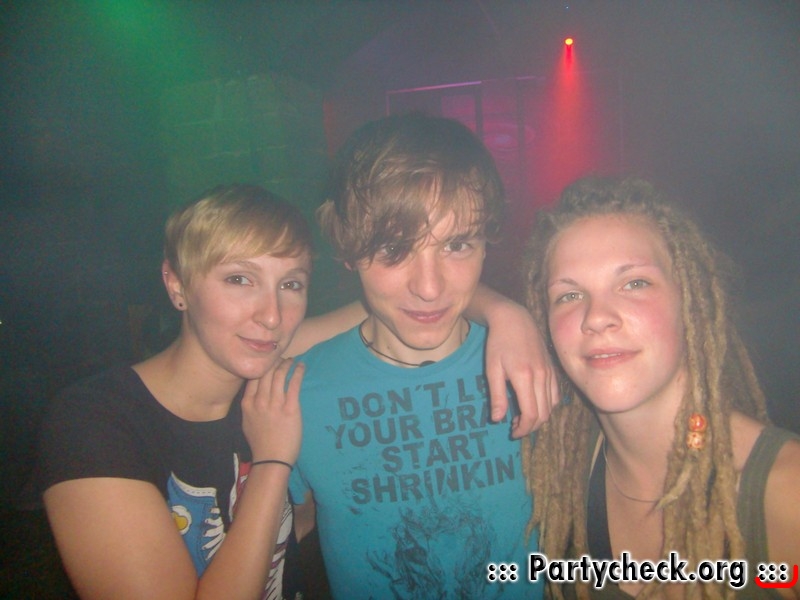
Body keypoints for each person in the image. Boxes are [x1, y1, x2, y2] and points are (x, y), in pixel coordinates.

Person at [35, 183, 555, 600]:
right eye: (239, 280)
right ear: (176, 284)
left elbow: (406, 302)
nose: (271, 314)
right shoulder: (97, 420)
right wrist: (272, 464)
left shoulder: (271, 369)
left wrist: (505, 313)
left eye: (291, 284)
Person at [289, 113, 545, 599]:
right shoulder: (296, 393)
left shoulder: (535, 368)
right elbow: (292, 534)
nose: (429, 287)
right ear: (347, 250)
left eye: (457, 244)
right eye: (394, 249)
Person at [521, 176, 800, 599]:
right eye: (569, 295)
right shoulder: (559, 472)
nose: (596, 317)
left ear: (690, 300)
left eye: (634, 283)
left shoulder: (785, 494)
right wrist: (499, 312)